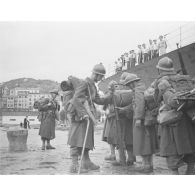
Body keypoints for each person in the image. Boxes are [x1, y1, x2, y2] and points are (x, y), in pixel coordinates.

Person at [67, 63, 112, 173]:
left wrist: (110, 96)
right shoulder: (84, 83)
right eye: (101, 77)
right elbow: (76, 99)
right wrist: (83, 114)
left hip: (89, 115)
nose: (101, 79)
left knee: (85, 140)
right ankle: (74, 165)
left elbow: (98, 100)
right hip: (80, 116)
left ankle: (86, 162)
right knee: (76, 139)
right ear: (96, 74)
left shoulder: (93, 85)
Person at [154, 57, 195, 174]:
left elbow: (171, 102)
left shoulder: (163, 82)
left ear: (159, 70)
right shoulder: (186, 80)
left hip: (172, 122)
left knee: (172, 154)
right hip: (189, 121)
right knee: (190, 153)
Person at [120, 73, 157, 173]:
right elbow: (134, 105)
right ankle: (150, 164)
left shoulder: (137, 90)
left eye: (128, 84)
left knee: (142, 142)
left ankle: (146, 165)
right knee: (148, 142)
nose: (128, 86)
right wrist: (124, 109)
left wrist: (138, 118)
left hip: (141, 121)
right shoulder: (143, 88)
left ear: (133, 83)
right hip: (147, 120)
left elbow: (139, 105)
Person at [102, 80, 135, 166]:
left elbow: (107, 108)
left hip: (117, 120)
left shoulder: (113, 95)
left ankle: (122, 159)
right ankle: (130, 158)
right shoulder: (129, 94)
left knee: (118, 139)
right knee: (128, 139)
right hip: (127, 119)